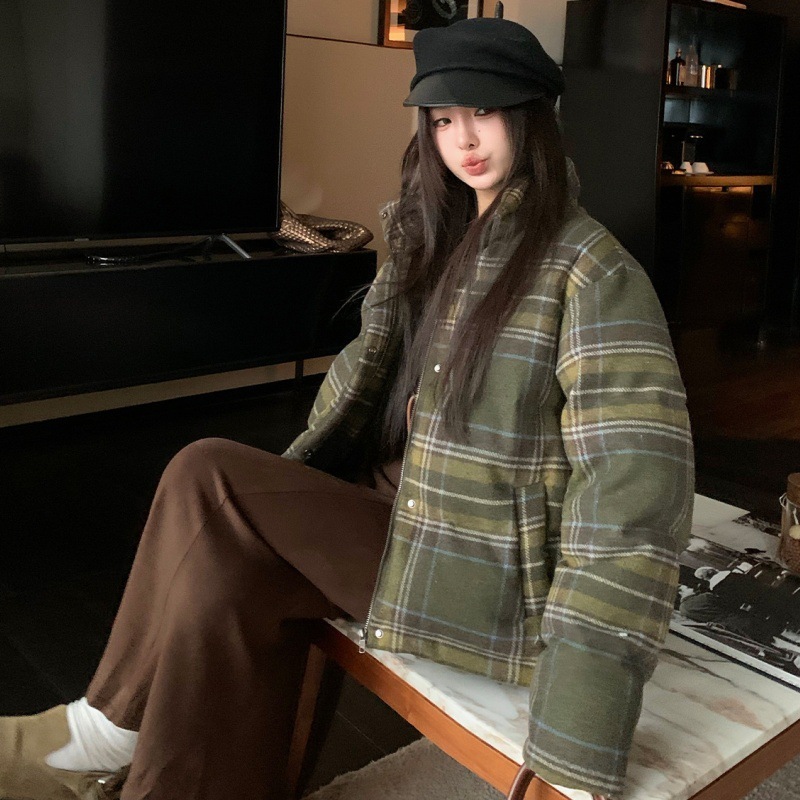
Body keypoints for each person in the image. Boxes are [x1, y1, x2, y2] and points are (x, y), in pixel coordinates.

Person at [0, 16, 694, 800]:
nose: (464, 139)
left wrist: (580, 736)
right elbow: (358, 398)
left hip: (481, 564)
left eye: (485, 112)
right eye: (442, 120)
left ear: (534, 116)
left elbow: (633, 499)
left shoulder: (593, 272)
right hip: (395, 508)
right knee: (229, 578)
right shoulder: (434, 239)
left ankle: (98, 736)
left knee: (207, 475)